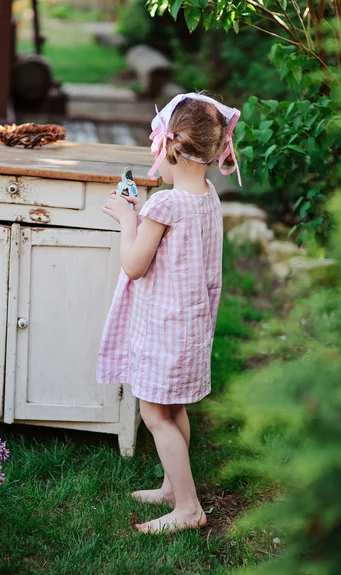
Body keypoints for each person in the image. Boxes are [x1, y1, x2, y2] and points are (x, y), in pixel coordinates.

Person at [96, 92, 241, 533]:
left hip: (165, 325)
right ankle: (172, 486)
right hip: (192, 322)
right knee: (174, 410)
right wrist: (144, 219)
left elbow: (135, 265)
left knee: (155, 415)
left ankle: (189, 508)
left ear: (171, 145)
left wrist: (127, 218)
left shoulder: (164, 204)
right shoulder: (208, 196)